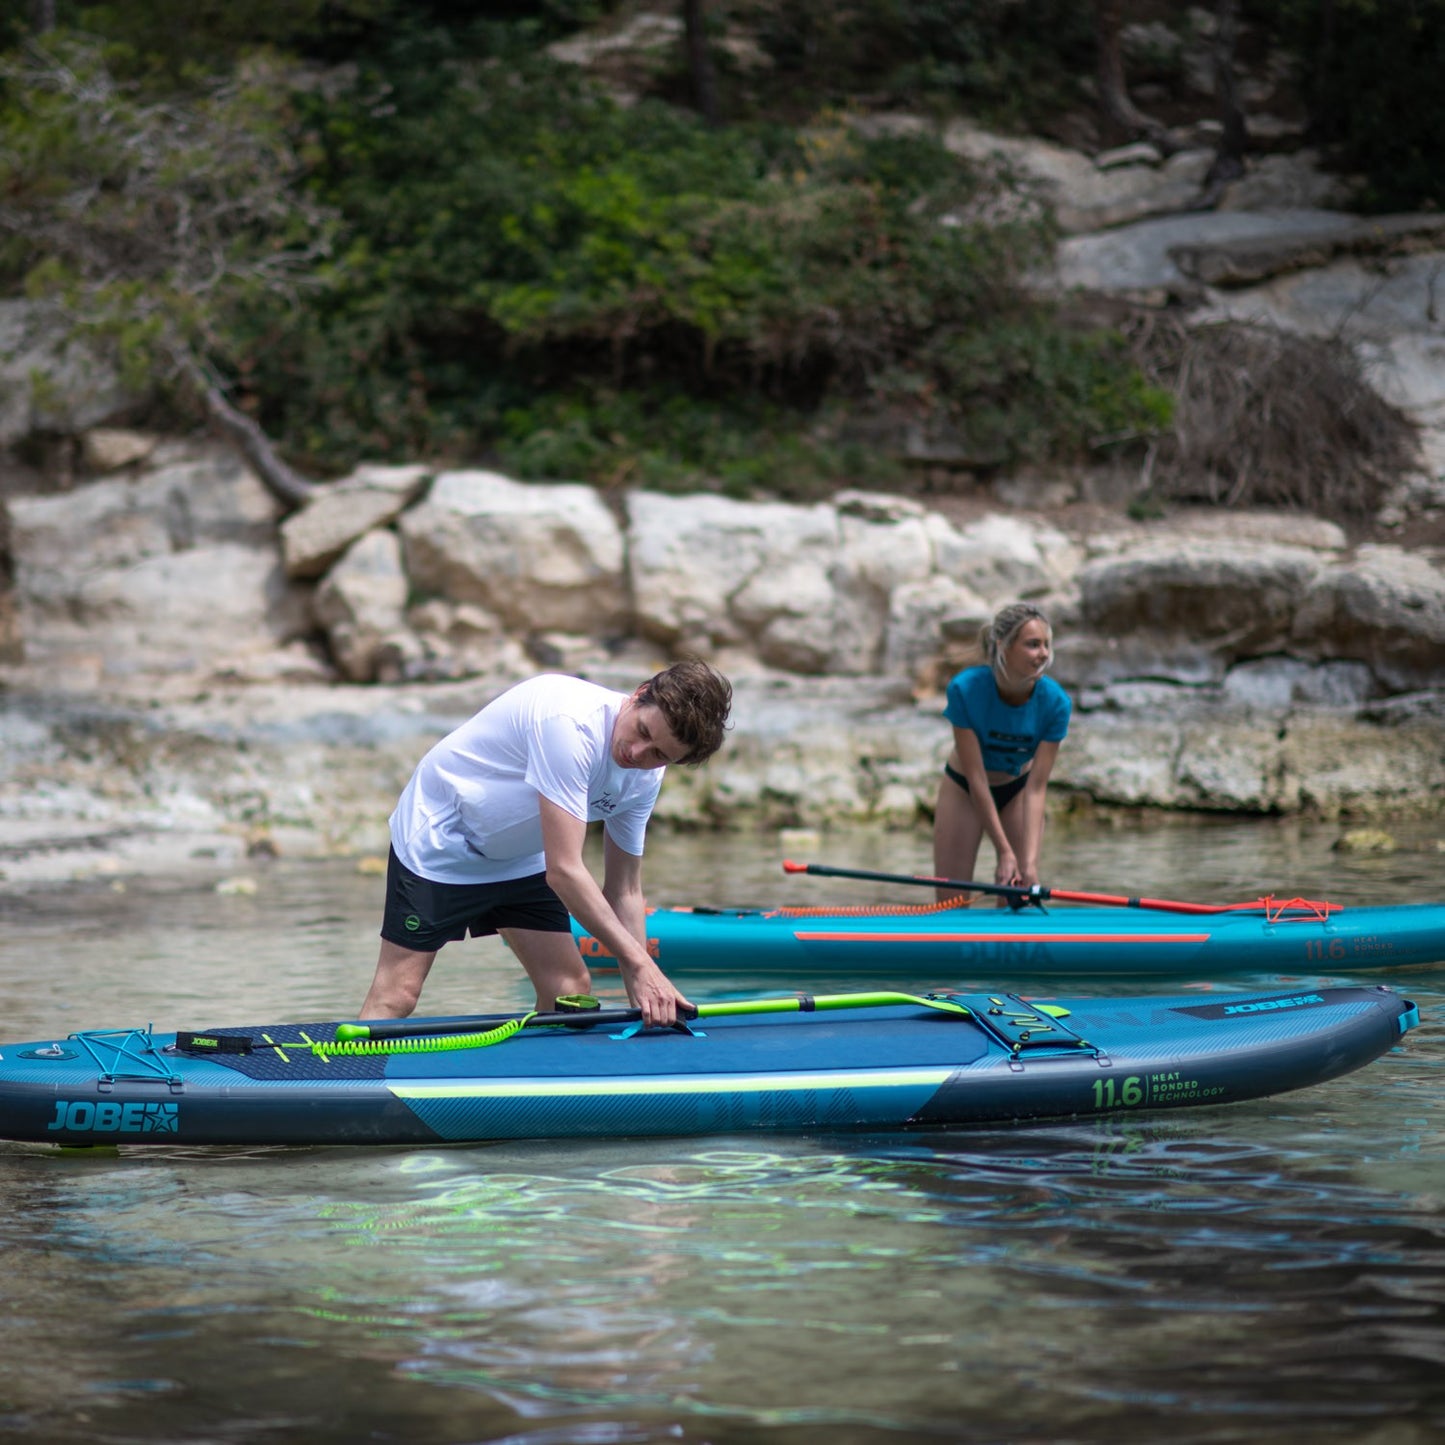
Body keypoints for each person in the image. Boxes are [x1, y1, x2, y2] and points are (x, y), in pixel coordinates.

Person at [358, 660, 732, 1028]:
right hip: (442, 841)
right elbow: (565, 871)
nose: (637, 753)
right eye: (642, 731)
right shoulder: (570, 724)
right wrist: (641, 965)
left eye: (659, 755)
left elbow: (625, 891)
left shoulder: (645, 780)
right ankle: (348, 1064)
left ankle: (528, 1069)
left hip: (519, 857)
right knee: (398, 995)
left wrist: (643, 991)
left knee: (566, 990)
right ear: (639, 695)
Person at [933, 603, 1070, 900]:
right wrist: (1005, 851)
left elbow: (1037, 787)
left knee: (1017, 899)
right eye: (1033, 644)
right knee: (951, 903)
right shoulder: (965, 689)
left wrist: (1028, 863)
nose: (1043, 654)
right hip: (965, 788)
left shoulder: (1056, 702)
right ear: (1003, 646)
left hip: (1019, 790)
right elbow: (976, 778)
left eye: (1046, 645)